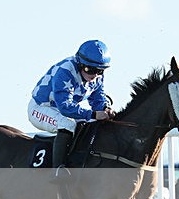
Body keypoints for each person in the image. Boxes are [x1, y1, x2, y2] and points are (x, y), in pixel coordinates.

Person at [28, 39, 115, 181]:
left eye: (100, 71)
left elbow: (98, 100)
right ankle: (59, 171)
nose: (94, 75)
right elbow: (65, 107)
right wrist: (93, 114)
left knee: (91, 124)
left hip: (64, 110)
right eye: (90, 69)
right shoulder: (66, 71)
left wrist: (105, 108)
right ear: (80, 63)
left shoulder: (98, 76)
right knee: (67, 124)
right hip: (41, 108)